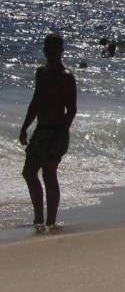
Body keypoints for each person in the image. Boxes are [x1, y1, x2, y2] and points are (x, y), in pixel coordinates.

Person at [19, 34, 77, 233]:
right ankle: (38, 217)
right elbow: (35, 102)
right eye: (48, 47)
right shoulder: (41, 72)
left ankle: (51, 221)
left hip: (56, 131)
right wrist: (25, 126)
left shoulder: (66, 76)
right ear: (44, 49)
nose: (51, 51)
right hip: (40, 130)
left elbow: (72, 110)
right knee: (28, 172)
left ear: (61, 50)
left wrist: (62, 133)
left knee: (49, 174)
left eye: (55, 48)